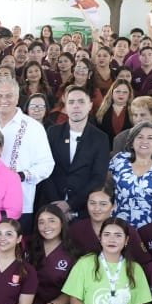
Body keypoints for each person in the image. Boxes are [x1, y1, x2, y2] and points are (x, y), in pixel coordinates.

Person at [0, 81, 52, 230]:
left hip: (19, 204)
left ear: (17, 98)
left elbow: (47, 164)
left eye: (9, 96)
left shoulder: (33, 127)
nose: (3, 100)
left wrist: (21, 176)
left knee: (16, 250)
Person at [41, 86, 110, 219]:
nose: (76, 106)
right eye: (71, 102)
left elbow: (98, 178)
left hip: (83, 208)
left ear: (90, 106)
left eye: (81, 102)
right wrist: (57, 205)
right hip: (51, 204)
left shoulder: (101, 138)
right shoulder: (52, 133)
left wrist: (69, 205)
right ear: (65, 107)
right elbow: (45, 170)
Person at [108, 122, 152, 229]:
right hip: (120, 225)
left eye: (150, 138)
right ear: (132, 142)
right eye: (140, 137)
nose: (144, 141)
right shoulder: (119, 159)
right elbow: (105, 186)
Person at [28, 205, 76, 304]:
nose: (46, 226)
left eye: (51, 221)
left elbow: (73, 291)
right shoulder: (29, 246)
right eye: (41, 222)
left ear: (62, 223)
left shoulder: (72, 252)